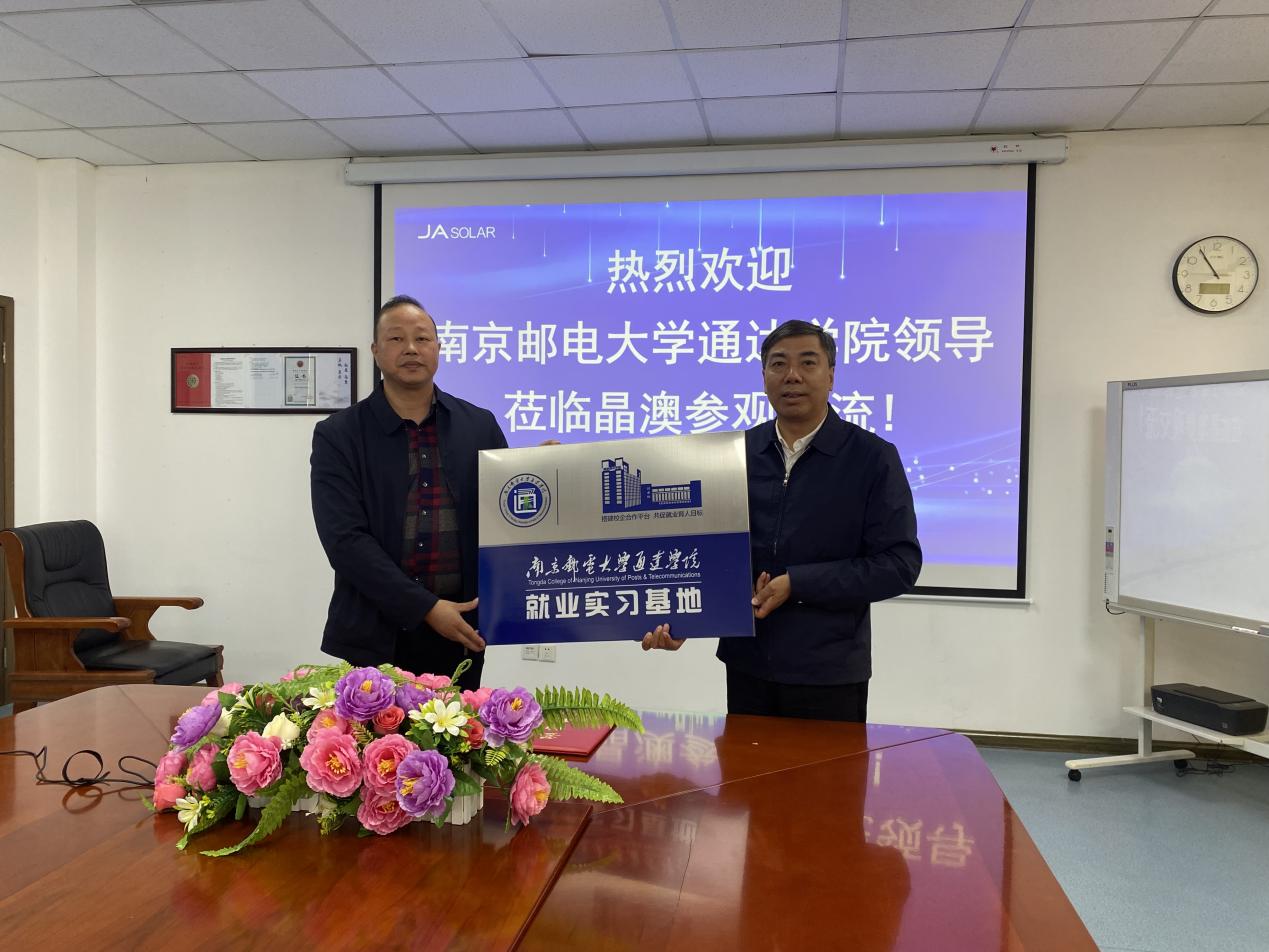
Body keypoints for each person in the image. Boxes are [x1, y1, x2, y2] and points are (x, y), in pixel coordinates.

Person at [642, 319, 921, 721]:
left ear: (831, 375)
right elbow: (704, 554)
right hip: (748, 666)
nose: (792, 375)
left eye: (807, 362)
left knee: (827, 767)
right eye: (778, 364)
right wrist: (683, 619)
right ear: (764, 377)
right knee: (743, 765)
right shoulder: (734, 454)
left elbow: (899, 565)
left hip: (830, 673)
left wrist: (798, 583)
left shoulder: (872, 458)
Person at [311, 294, 507, 688]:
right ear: (376, 351)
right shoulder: (339, 434)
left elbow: (504, 515)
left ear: (438, 348)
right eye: (396, 339)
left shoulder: (478, 425)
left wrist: (541, 472)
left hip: (460, 631)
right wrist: (426, 608)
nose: (411, 349)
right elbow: (345, 541)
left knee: (457, 729)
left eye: (422, 338)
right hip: (372, 636)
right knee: (371, 731)